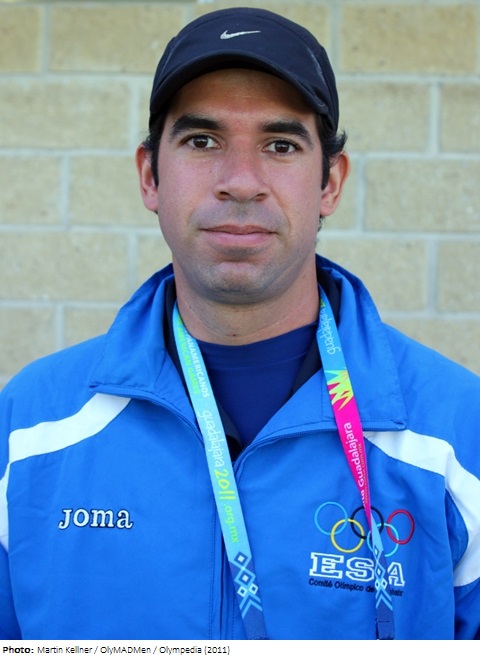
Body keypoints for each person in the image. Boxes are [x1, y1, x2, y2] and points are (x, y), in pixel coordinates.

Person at [0, 6, 479, 642]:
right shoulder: (30, 429)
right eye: (203, 141)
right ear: (150, 175)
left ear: (330, 183)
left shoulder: (456, 433)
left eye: (280, 145)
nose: (241, 183)